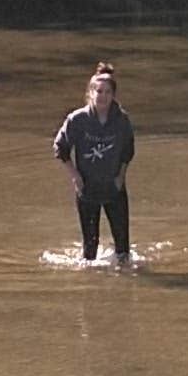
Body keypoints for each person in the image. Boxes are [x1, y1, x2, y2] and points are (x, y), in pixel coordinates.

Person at [54, 60, 136, 262]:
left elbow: (128, 149)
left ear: (113, 95)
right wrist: (75, 177)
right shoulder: (77, 120)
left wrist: (121, 176)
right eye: (99, 91)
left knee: (123, 250)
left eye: (107, 92)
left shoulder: (121, 120)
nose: (103, 96)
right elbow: (60, 148)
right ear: (91, 93)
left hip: (114, 189)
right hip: (87, 189)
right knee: (89, 254)